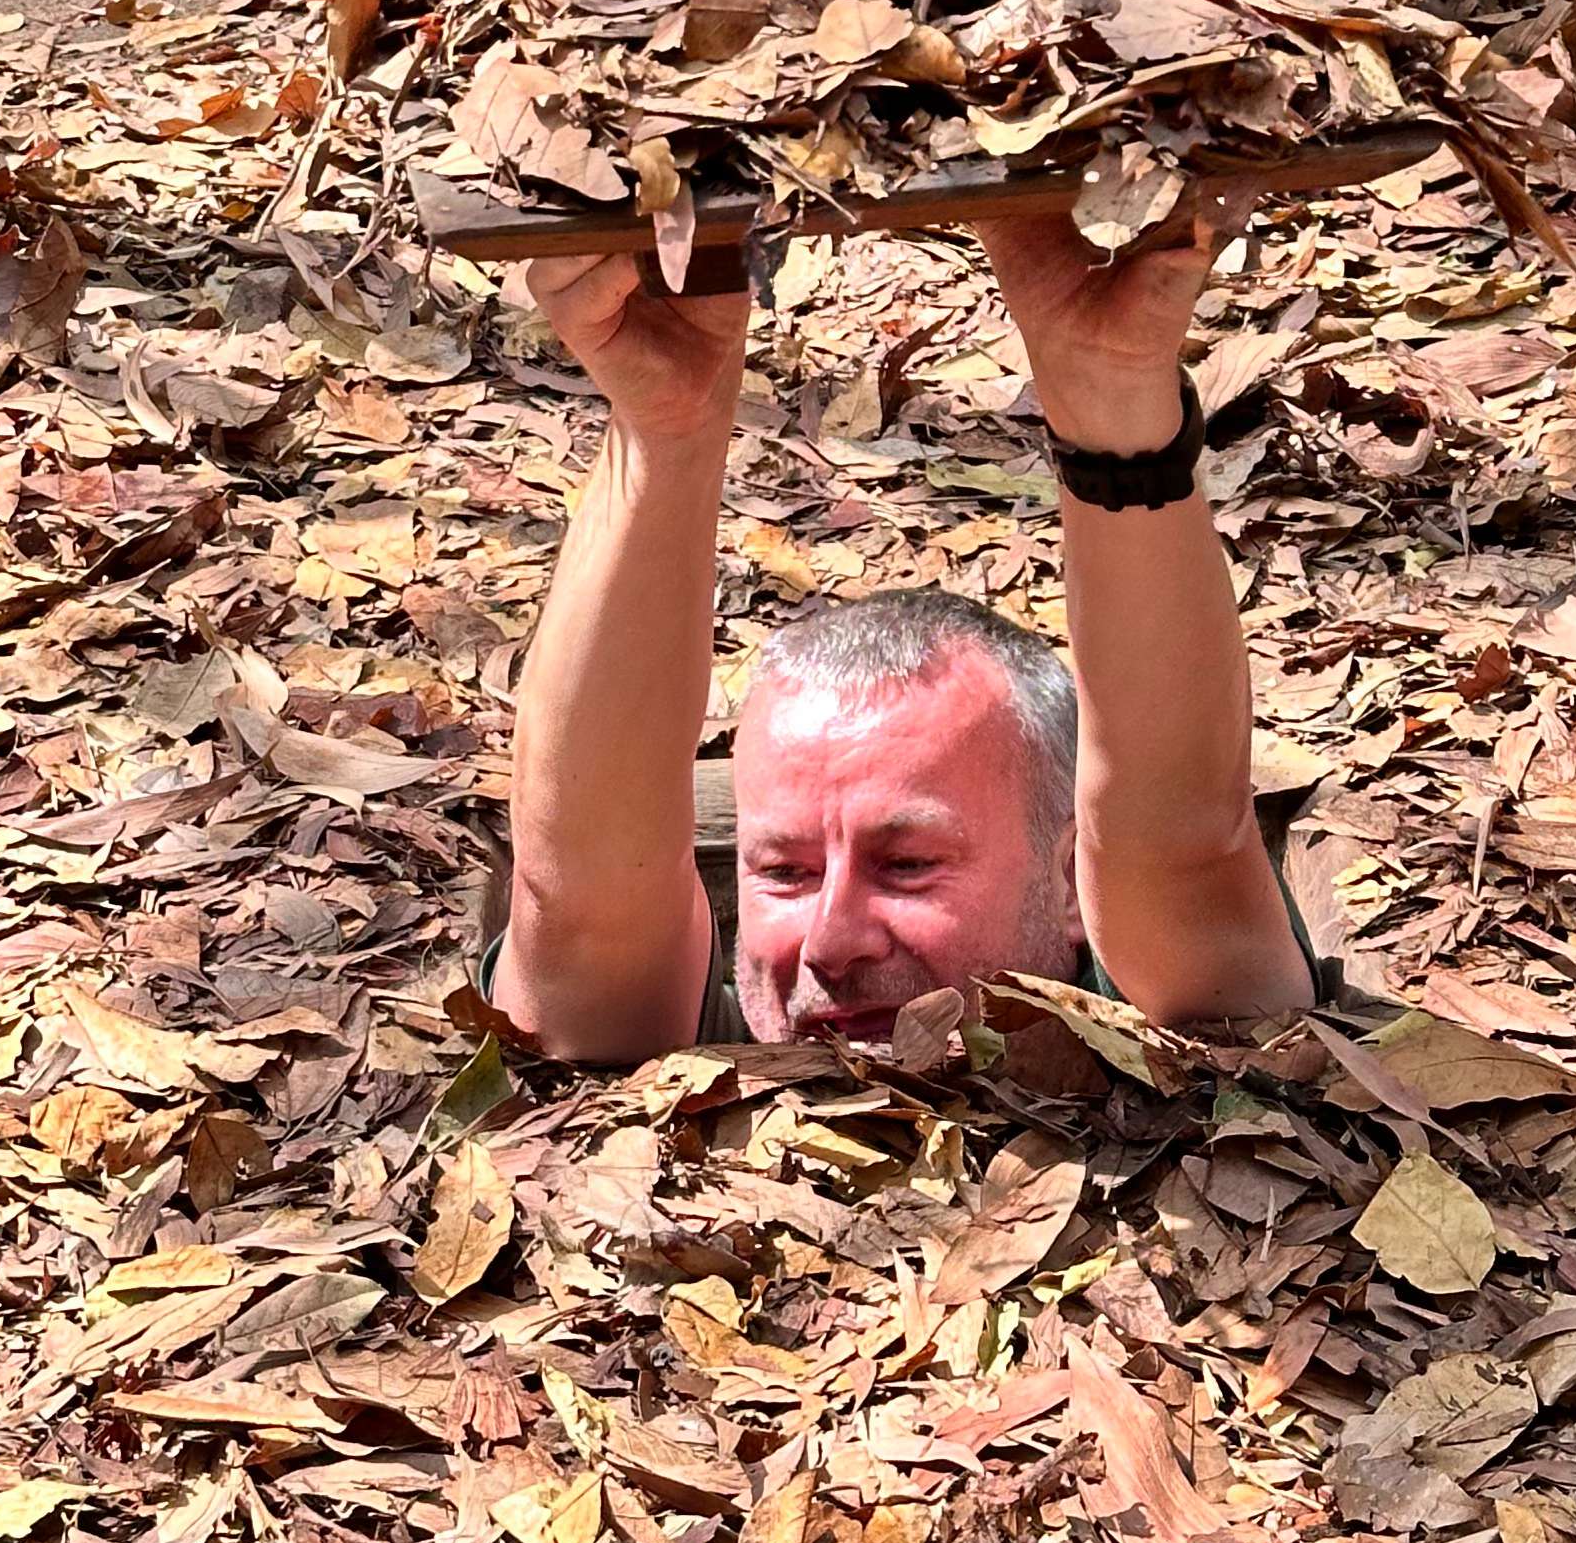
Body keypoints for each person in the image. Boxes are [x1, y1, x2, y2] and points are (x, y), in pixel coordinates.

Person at [492, 206, 1313, 1055]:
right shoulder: (679, 1051)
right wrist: (664, 426)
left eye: (908, 866)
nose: (831, 943)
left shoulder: (1183, 1007)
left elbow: (1184, 844)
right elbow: (579, 904)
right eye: (784, 874)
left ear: (1070, 881)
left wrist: (1110, 398)